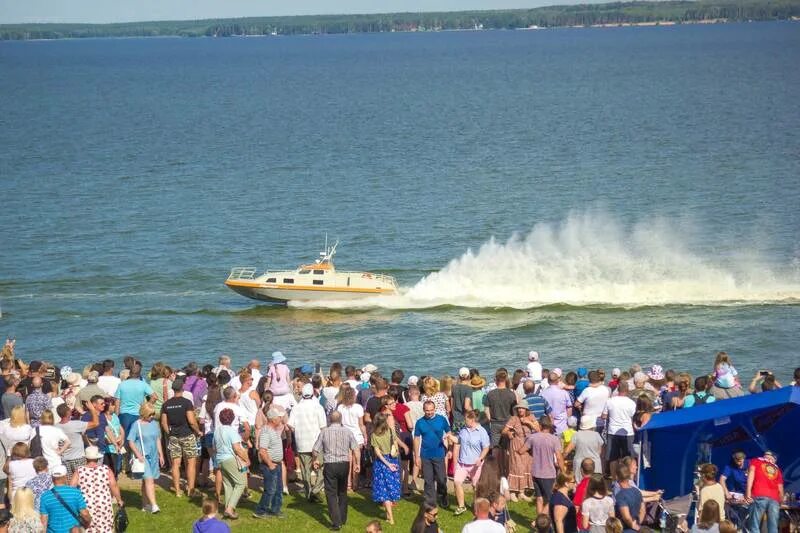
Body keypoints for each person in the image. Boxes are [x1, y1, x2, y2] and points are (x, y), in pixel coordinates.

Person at [312, 411, 360, 531]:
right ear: (341, 419)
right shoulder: (348, 432)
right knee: (342, 491)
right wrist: (358, 463)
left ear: (329, 419)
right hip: (344, 464)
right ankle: (342, 518)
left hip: (330, 465)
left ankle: (336, 522)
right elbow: (356, 448)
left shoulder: (324, 432)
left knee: (331, 493)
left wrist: (315, 460)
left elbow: (315, 449)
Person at [161, 378, 202, 498]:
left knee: (175, 464)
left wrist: (169, 433)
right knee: (191, 463)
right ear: (182, 389)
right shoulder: (186, 402)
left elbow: (164, 422)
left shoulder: (166, 404)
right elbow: (191, 420)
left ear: (173, 389)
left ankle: (178, 490)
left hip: (174, 436)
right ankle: (190, 489)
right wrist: (198, 431)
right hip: (187, 435)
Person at [70, 446, 123, 533]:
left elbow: (71, 488)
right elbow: (113, 486)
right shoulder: (106, 469)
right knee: (105, 528)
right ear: (98, 458)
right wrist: (119, 500)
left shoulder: (79, 470)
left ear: (86, 458)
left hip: (86, 504)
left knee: (88, 529)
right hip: (103, 503)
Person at [289, 383, 327, 502]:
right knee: (321, 468)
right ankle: (316, 490)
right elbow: (323, 427)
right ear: (313, 394)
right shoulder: (318, 407)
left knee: (306, 470)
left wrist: (298, 431)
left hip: (302, 443)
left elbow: (290, 425)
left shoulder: (296, 408)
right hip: (317, 443)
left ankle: (309, 492)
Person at [521, 416, 565, 516]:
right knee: (551, 499)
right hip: (549, 474)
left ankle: (539, 522)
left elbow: (521, 450)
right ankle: (543, 521)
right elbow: (559, 457)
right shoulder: (554, 439)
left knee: (539, 498)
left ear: (540, 425)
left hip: (536, 473)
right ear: (550, 426)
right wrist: (563, 471)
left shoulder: (533, 437)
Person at [370, 412, 407, 525]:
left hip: (382, 464)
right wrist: (391, 462)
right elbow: (395, 445)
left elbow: (378, 454)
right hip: (393, 460)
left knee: (384, 491)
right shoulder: (391, 431)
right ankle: (387, 515)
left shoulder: (374, 435)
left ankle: (390, 518)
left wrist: (387, 464)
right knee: (390, 489)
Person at [452, 409, 491, 515]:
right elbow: (458, 441)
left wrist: (480, 458)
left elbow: (486, 447)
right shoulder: (463, 430)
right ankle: (461, 506)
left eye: (466, 419)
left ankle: (476, 506)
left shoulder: (482, 431)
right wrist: (449, 436)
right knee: (457, 482)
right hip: (462, 463)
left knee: (476, 487)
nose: (465, 421)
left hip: (476, 465)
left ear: (472, 419)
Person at [127, 402, 164, 514]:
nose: (152, 416)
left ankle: (145, 505)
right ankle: (154, 505)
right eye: (150, 414)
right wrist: (138, 455)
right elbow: (130, 441)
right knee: (149, 479)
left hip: (153, 456)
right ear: (144, 413)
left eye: (153, 414)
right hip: (143, 457)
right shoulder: (136, 425)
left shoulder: (154, 424)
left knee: (146, 481)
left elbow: (157, 439)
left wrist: (161, 454)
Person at [213, 407, 249, 520]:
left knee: (228, 484)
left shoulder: (217, 431)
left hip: (220, 459)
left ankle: (227, 509)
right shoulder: (232, 431)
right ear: (232, 419)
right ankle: (230, 508)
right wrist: (247, 459)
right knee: (241, 483)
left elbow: (214, 447)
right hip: (230, 458)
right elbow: (237, 449)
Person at [414, 400, 450, 508]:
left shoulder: (441, 419)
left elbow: (449, 431)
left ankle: (443, 495)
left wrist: (447, 440)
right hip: (425, 455)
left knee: (441, 478)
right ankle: (431, 502)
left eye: (431, 410)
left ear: (434, 409)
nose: (429, 412)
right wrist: (417, 456)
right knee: (428, 480)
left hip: (439, 453)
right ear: (423, 410)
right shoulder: (420, 422)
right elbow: (416, 439)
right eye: (427, 410)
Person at [501, 402, 537, 502]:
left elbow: (539, 429)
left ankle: (521, 492)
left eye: (523, 408)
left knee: (526, 467)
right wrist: (508, 432)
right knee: (516, 467)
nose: (520, 410)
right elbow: (503, 431)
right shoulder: (514, 418)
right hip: (516, 445)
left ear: (526, 409)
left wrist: (528, 423)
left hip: (528, 445)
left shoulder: (531, 417)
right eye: (519, 408)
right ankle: (513, 492)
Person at [253, 407, 284, 519]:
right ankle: (260, 511)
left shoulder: (273, 430)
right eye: (278, 417)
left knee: (278, 489)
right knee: (270, 489)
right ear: (273, 419)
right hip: (270, 465)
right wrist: (270, 464)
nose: (280, 419)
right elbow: (262, 451)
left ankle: (275, 509)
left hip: (276, 464)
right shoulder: (266, 431)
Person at [39, 465, 91, 533]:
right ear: (65, 477)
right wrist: (87, 524)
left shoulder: (45, 496)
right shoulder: (75, 492)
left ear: (52, 478)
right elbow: (85, 514)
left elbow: (43, 522)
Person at [55, 401, 100, 478]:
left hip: (64, 460)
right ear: (68, 413)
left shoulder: (55, 427)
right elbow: (96, 423)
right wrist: (92, 409)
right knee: (81, 481)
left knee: (69, 485)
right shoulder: (75, 424)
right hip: (78, 459)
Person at [114, 364, 153, 448]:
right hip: (138, 414)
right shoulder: (143, 384)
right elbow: (154, 396)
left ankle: (125, 457)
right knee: (138, 438)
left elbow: (117, 401)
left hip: (124, 414)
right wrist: (147, 406)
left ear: (130, 373)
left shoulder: (122, 384)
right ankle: (137, 456)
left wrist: (116, 416)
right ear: (139, 374)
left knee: (125, 438)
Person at [336, 385, 366, 491]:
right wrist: (365, 436)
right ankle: (355, 483)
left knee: (348, 461)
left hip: (344, 436)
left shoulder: (340, 407)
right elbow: (361, 425)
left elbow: (339, 423)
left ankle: (348, 483)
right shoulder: (358, 407)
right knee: (357, 460)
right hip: (357, 436)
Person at [745, 451, 784, 533]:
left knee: (754, 526)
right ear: (772, 458)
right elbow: (780, 488)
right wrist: (780, 501)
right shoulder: (777, 469)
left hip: (759, 494)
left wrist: (748, 491)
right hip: (774, 499)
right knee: (773, 527)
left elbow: (751, 474)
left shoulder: (756, 460)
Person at [603, 381, 636, 470]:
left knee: (613, 458)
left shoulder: (610, 401)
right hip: (627, 432)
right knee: (628, 457)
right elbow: (633, 417)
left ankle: (614, 479)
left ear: (618, 389)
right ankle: (628, 478)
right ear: (628, 390)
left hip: (612, 431)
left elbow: (604, 416)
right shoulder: (631, 403)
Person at [540, 368, 573, 435]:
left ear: (548, 381)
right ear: (557, 380)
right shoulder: (564, 393)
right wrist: (568, 420)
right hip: (562, 425)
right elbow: (569, 408)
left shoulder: (542, 394)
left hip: (547, 426)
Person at [614, 463, 644, 533]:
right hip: (636, 528)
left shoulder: (620, 495)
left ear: (617, 477)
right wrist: (638, 524)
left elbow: (626, 517)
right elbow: (643, 510)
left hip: (626, 529)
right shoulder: (637, 491)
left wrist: (633, 526)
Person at [573, 459, 595, 530]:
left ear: (581, 470)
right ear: (594, 469)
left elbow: (576, 507)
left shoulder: (581, 486)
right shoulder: (598, 484)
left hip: (584, 525)